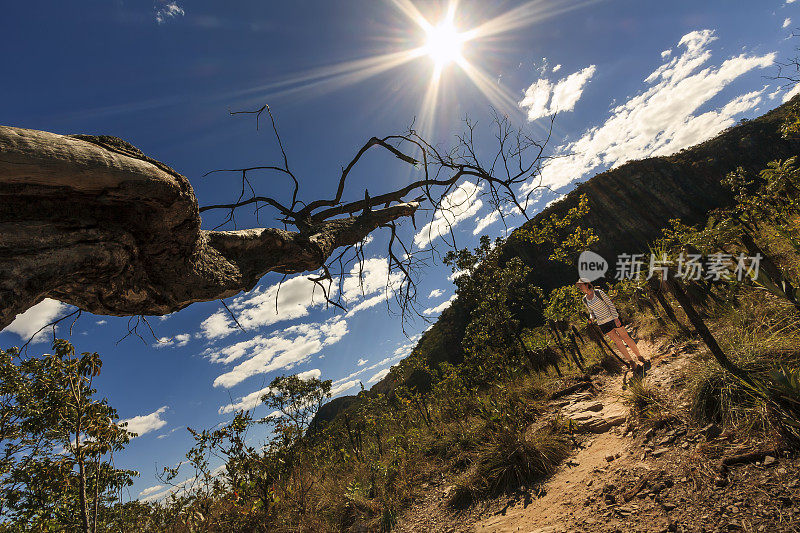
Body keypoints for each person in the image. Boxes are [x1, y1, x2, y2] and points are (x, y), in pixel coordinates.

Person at [576, 277, 650, 374]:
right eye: (579, 287)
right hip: (603, 324)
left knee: (626, 338)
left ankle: (639, 356)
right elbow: (591, 312)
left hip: (613, 319)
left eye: (581, 286)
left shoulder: (598, 293)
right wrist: (591, 318)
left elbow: (610, 305)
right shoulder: (584, 299)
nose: (580, 288)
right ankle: (631, 362)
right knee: (618, 342)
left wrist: (616, 318)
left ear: (586, 284)